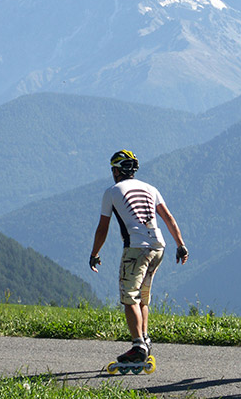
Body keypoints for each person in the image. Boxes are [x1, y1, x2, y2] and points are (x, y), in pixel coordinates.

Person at [89, 149, 189, 363]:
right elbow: (168, 218)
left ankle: (138, 346)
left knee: (129, 297)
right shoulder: (151, 188)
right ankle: (144, 339)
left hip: (136, 248)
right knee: (143, 297)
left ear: (116, 170)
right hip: (158, 246)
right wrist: (180, 244)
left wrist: (95, 253)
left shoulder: (112, 192)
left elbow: (102, 228)